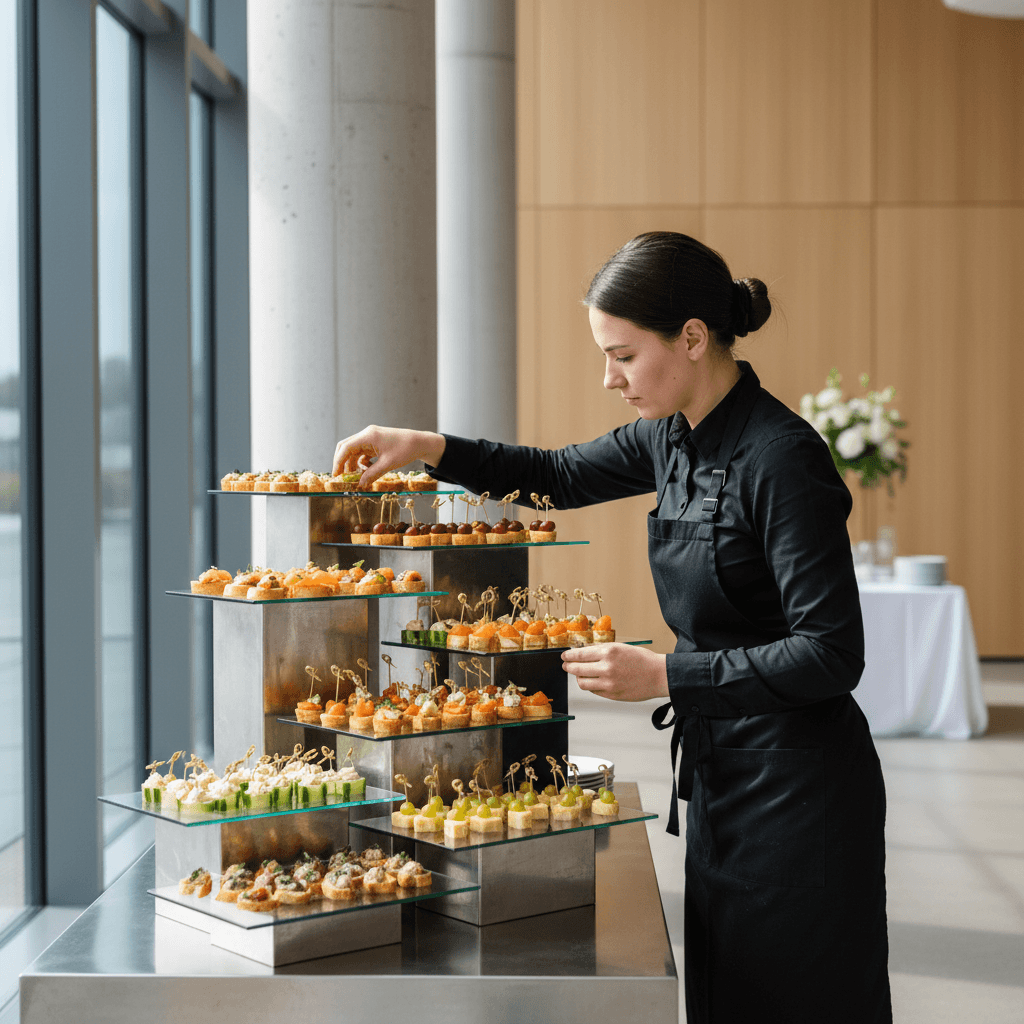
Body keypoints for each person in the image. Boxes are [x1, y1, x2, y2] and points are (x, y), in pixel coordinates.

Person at [332, 231, 891, 1023]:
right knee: (731, 998)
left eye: (623, 356)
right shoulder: (671, 436)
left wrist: (664, 676)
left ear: (692, 338)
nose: (609, 378)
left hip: (803, 798)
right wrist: (426, 446)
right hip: (723, 781)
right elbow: (554, 475)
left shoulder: (782, 458)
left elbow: (832, 653)